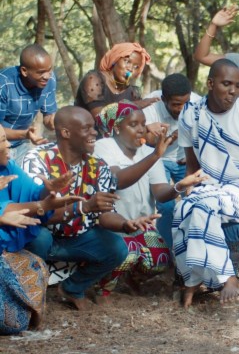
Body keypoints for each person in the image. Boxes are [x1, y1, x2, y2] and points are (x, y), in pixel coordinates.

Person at [22, 106, 159, 311]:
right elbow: (37, 213)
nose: (94, 133)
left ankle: (73, 288)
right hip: (41, 235)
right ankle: (26, 293)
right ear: (66, 133)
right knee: (38, 237)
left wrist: (125, 224)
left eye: (94, 128)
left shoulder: (97, 165)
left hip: (76, 238)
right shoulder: (38, 160)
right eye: (87, 128)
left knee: (117, 248)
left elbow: (104, 214)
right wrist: (84, 206)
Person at [173, 59, 239, 307]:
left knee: (201, 207)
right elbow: (192, 165)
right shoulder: (191, 116)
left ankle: (223, 276)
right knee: (182, 209)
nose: (233, 91)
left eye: (238, 86)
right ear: (210, 83)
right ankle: (195, 277)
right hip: (210, 184)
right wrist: (188, 191)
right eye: (226, 84)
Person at [93, 101, 205, 297]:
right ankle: (101, 287)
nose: (141, 130)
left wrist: (180, 186)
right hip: (111, 226)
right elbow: (118, 180)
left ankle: (129, 279)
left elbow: (160, 191)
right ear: (117, 128)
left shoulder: (146, 152)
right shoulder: (103, 147)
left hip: (140, 226)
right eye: (133, 124)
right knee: (129, 253)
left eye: (143, 124)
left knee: (161, 259)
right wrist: (154, 156)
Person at [0, 124, 82, 334]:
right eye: (2, 140)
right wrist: (42, 207)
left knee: (35, 265)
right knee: (11, 322)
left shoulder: (8, 166)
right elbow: (6, 209)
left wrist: (49, 189)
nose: (8, 144)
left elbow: (32, 192)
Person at [142, 73, 201, 247]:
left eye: (185, 103)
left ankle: (192, 249)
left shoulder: (198, 103)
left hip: (187, 159)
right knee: (166, 207)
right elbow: (147, 142)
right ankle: (166, 253)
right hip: (160, 160)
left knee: (196, 201)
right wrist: (168, 138)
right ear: (163, 99)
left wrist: (192, 156)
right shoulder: (150, 106)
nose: (182, 109)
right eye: (176, 104)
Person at [0, 44, 57, 164]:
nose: (47, 76)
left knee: (23, 181)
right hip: (2, 145)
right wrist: (25, 134)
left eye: (49, 70)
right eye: (41, 72)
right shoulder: (4, 85)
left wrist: (54, 121)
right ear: (24, 71)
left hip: (22, 144)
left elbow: (48, 118)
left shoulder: (49, 81)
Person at [75, 42, 156, 119]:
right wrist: (133, 105)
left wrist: (149, 128)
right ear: (115, 59)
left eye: (136, 67)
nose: (130, 69)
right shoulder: (94, 79)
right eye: (127, 61)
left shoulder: (132, 93)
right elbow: (99, 117)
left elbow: (135, 122)